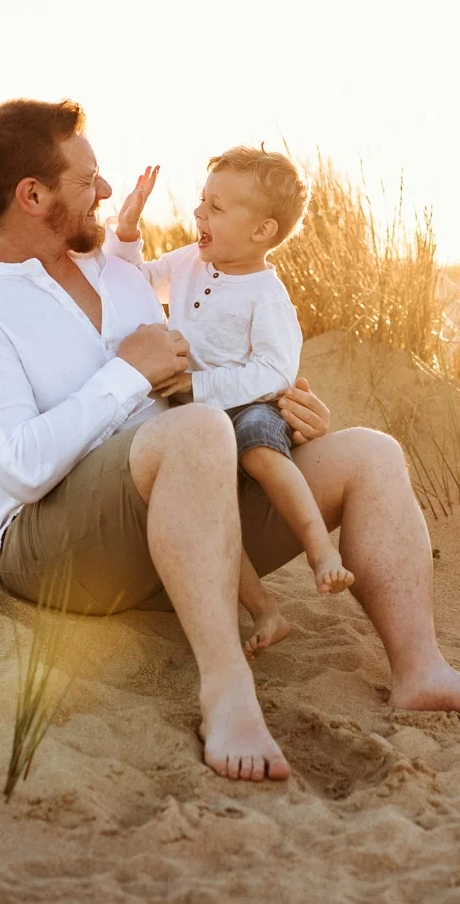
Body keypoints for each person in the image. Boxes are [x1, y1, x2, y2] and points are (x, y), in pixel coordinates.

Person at [0, 98, 460, 783]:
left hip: (173, 521)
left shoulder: (120, 273)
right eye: (86, 180)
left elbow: (198, 376)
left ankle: (422, 668)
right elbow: (22, 467)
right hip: (49, 547)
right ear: (32, 195)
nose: (104, 191)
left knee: (369, 453)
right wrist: (131, 374)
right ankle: (226, 687)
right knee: (192, 431)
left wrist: (281, 412)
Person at [103, 146, 347, 659]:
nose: (198, 214)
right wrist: (125, 232)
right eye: (201, 201)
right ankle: (264, 610)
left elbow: (275, 372)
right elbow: (137, 283)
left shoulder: (267, 294)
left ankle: (321, 551)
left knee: (260, 448)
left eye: (216, 208)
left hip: (247, 404)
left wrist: (201, 388)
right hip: (193, 418)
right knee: (207, 509)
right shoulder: (191, 261)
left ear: (262, 231)